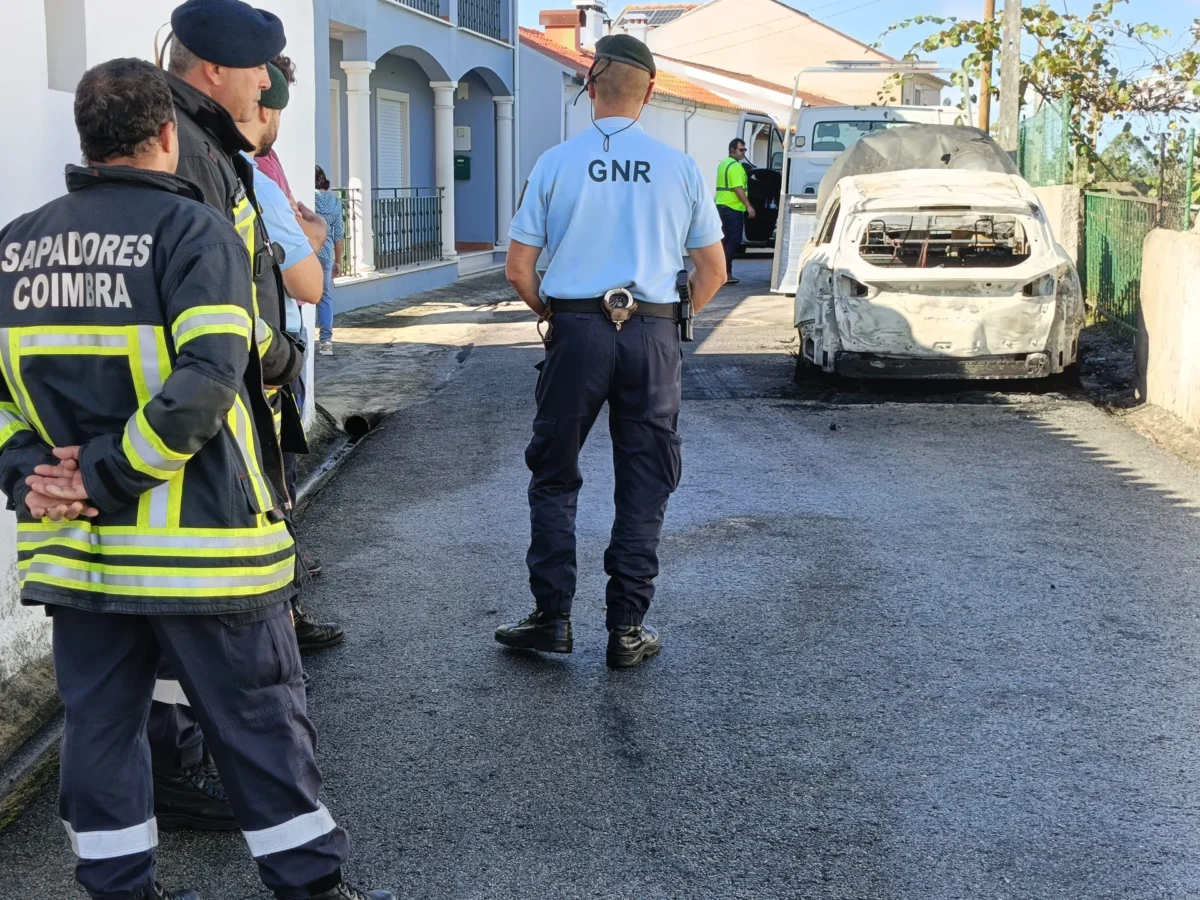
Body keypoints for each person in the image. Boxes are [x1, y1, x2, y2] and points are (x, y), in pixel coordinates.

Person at [0, 56, 391, 900]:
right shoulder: (193, 233)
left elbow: (2, 396)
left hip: (77, 556)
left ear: (88, 139)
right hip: (204, 549)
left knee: (101, 734)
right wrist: (104, 477)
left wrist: (34, 475)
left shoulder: (18, 244)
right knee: (258, 725)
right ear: (169, 135)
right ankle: (312, 890)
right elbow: (209, 381)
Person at [495, 34, 727, 669]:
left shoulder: (554, 163)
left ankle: (552, 619)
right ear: (649, 92)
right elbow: (713, 270)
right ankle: (626, 631)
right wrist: (668, 324)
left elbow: (520, 268)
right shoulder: (680, 167)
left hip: (576, 330)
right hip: (652, 334)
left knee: (554, 472)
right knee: (645, 481)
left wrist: (562, 319)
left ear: (590, 86)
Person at [239, 62, 341, 651]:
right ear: (267, 107)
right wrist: (317, 239)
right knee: (277, 492)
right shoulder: (255, 177)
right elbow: (307, 282)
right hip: (266, 363)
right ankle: (284, 621)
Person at [715, 137, 756, 285]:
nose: (743, 153)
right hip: (732, 207)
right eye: (741, 150)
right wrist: (749, 206)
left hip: (721, 207)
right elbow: (737, 188)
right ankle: (725, 273)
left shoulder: (723, 165)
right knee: (733, 241)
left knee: (724, 241)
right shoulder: (736, 167)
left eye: (745, 150)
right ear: (732, 150)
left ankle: (721, 273)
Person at [314, 165, 345, 356]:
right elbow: (339, 235)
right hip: (325, 255)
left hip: (306, 252)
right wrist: (338, 261)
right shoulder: (334, 202)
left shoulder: (308, 198)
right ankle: (326, 342)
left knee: (299, 297)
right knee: (324, 297)